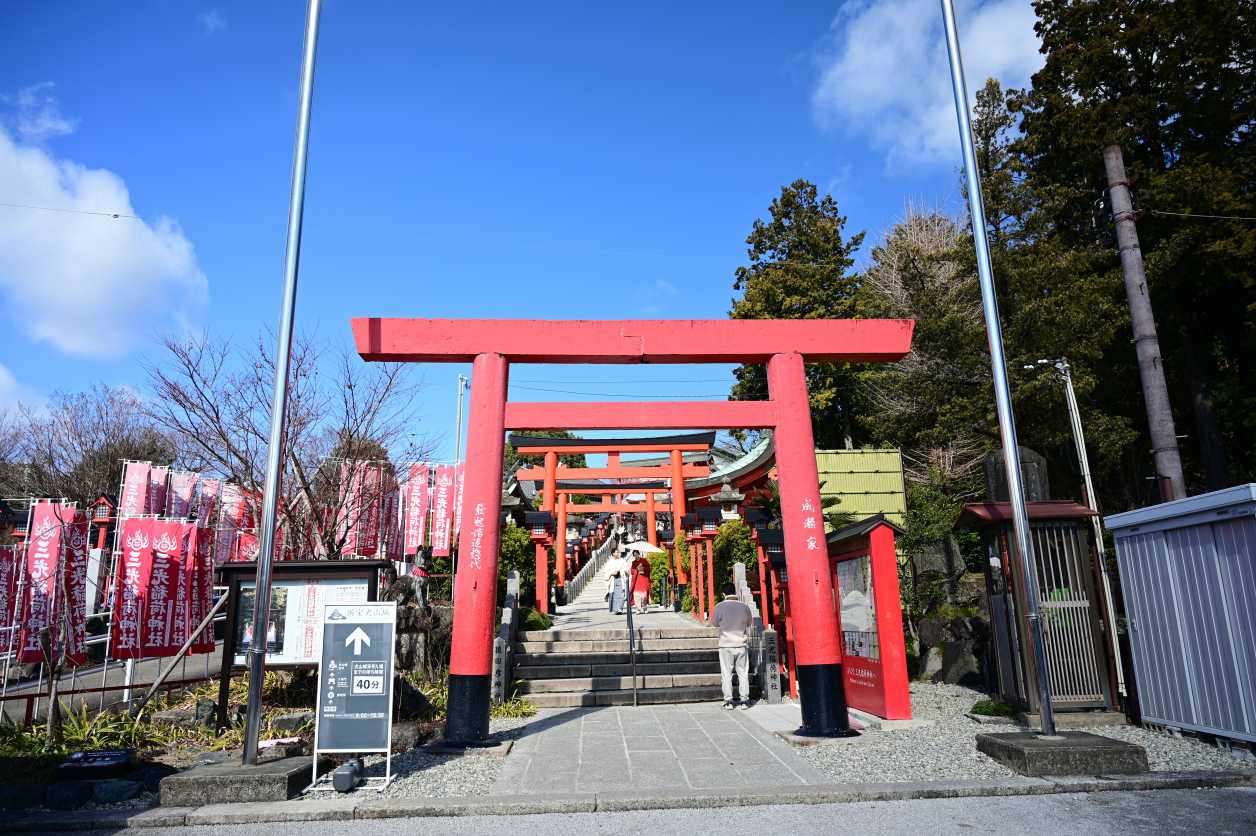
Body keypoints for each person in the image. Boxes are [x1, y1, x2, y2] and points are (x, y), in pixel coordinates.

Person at [710, 582, 753, 709]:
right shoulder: (744, 607)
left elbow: (714, 623)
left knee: (726, 674)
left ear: (724, 594)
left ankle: (728, 701)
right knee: (743, 673)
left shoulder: (720, 606)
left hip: (725, 645)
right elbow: (749, 623)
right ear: (735, 591)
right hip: (741, 644)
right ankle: (744, 701)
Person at [604, 547, 628, 614]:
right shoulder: (609, 562)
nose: (618, 553)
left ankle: (620, 609)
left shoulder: (622, 561)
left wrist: (626, 571)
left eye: (618, 552)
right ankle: (616, 609)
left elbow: (626, 568)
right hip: (613, 579)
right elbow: (606, 571)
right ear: (613, 553)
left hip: (620, 578)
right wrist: (612, 573)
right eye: (617, 552)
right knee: (614, 595)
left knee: (621, 595)